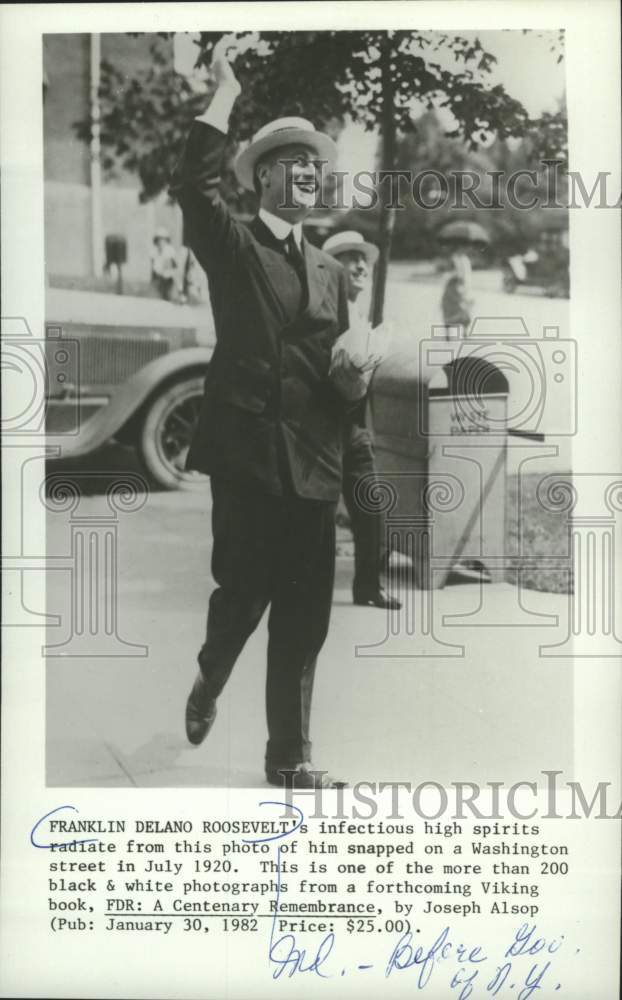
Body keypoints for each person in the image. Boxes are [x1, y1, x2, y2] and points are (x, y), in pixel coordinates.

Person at [170, 42, 377, 791]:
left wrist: (353, 384)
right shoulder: (233, 244)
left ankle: (288, 758)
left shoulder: (329, 269)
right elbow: (192, 185)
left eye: (314, 165)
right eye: (290, 161)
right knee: (242, 598)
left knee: (303, 616)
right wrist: (223, 92)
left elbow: (334, 379)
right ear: (260, 175)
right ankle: (208, 677)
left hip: (314, 464)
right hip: (250, 455)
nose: (306, 173)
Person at [322, 231, 401, 610]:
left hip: (353, 427)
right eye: (348, 258)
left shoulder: (362, 316)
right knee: (315, 516)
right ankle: (303, 587)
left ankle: (368, 586)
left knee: (371, 507)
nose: (359, 266)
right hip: (321, 426)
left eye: (362, 260)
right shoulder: (322, 309)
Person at [150, 228, 179, 301]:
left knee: (168, 298)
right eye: (158, 240)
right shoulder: (154, 251)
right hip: (158, 278)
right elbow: (153, 267)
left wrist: (167, 272)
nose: (160, 242)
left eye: (163, 240)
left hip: (168, 279)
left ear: (167, 241)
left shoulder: (169, 250)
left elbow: (173, 266)